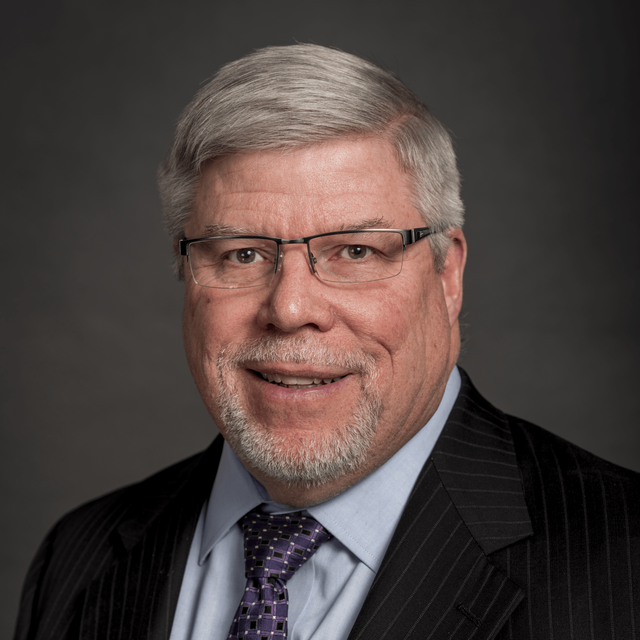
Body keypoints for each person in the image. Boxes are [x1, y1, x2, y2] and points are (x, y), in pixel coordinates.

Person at [14, 43, 639, 640]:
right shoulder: (78, 558)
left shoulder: (624, 565)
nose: (290, 310)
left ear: (447, 275)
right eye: (243, 253)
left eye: (355, 251)